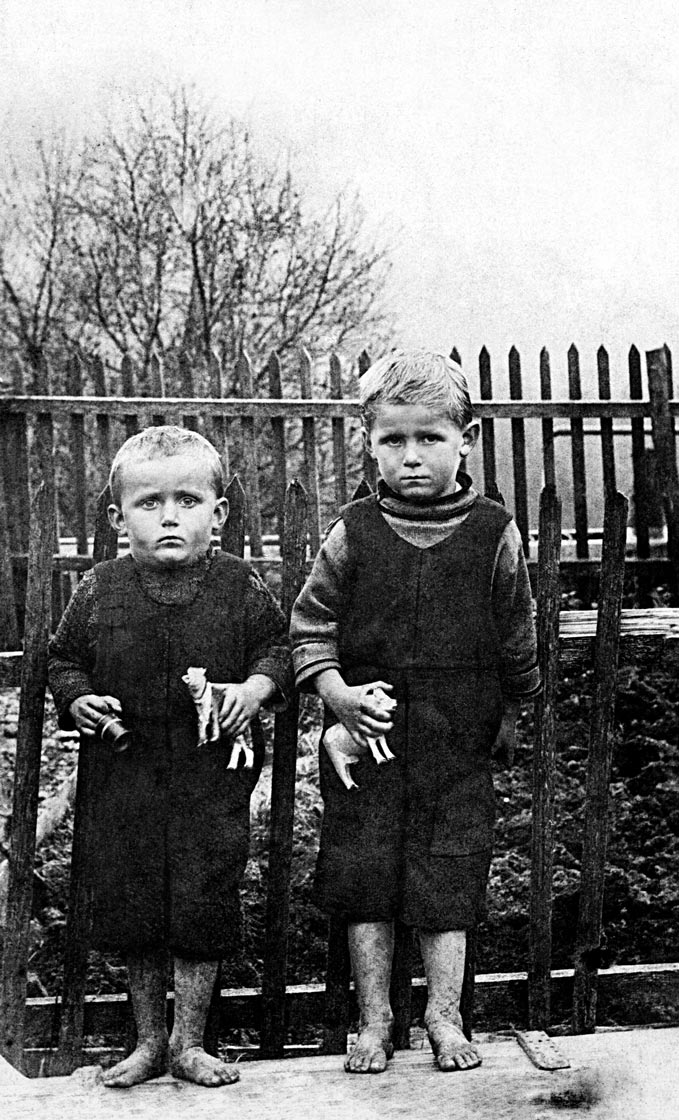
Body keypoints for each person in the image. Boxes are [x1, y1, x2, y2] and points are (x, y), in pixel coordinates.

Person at [290, 350, 540, 1074]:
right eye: (392, 440)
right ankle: (372, 1020)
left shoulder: (494, 530)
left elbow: (515, 631)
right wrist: (335, 695)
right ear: (368, 442)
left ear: (465, 439)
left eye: (428, 438)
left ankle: (443, 1016)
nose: (409, 456)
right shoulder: (353, 531)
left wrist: (512, 713)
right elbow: (311, 626)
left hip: (456, 744)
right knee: (366, 880)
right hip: (366, 741)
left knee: (447, 882)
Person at [48, 425, 292, 1089]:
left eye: (187, 500)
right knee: (134, 903)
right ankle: (148, 1043)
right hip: (123, 777)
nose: (169, 516)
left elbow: (279, 652)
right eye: (149, 503)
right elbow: (64, 661)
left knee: (201, 900)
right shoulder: (99, 589)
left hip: (209, 779)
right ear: (117, 516)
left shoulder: (239, 586)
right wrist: (79, 701)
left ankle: (190, 1043)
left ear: (218, 511)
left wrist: (252, 688)